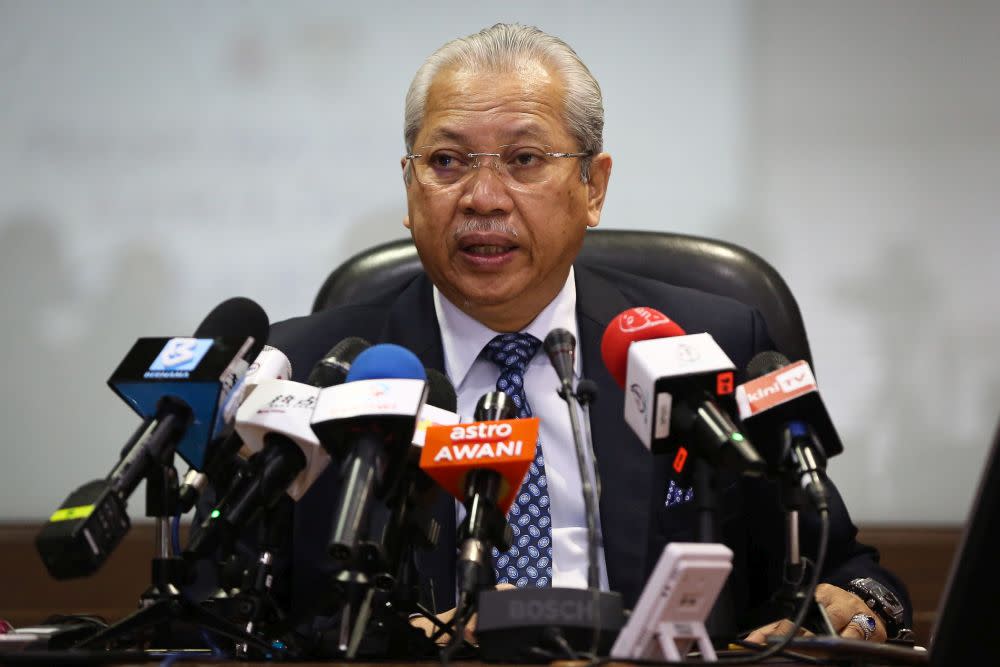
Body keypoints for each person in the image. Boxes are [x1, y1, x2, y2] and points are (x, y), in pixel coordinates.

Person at [255, 23, 912, 649]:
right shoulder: (315, 372)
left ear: (593, 187)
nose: (483, 196)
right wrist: (391, 644)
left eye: (524, 159)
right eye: (448, 160)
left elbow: (847, 570)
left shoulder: (712, 346)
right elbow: (235, 618)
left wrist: (857, 604)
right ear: (409, 185)